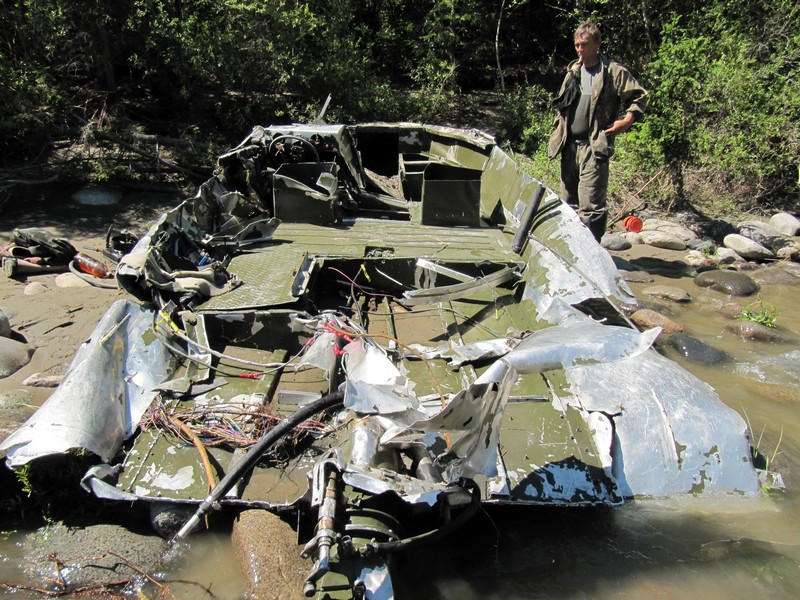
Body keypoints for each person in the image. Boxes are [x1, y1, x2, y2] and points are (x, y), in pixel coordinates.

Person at [548, 22, 647, 241]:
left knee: (591, 207)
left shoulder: (612, 72)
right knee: (568, 205)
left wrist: (626, 121)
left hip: (593, 147)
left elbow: (639, 96)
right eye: (577, 45)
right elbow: (563, 106)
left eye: (585, 44)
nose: (580, 50)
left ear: (597, 44)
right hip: (569, 146)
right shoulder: (573, 72)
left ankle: (593, 253)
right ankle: (572, 251)